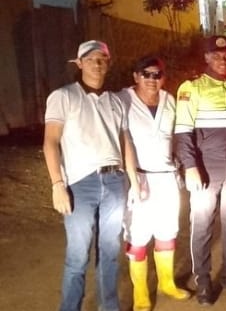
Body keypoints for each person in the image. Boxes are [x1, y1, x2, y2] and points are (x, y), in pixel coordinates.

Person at [43, 40, 140, 311]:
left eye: (102, 59)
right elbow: (51, 141)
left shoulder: (115, 101)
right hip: (80, 184)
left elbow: (125, 141)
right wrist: (57, 185)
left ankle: (109, 307)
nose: (97, 64)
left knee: (110, 253)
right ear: (79, 63)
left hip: (114, 182)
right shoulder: (63, 96)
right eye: (90, 59)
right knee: (78, 255)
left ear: (108, 64)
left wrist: (133, 181)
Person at [174, 35, 226, 305]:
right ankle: (203, 281)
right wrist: (190, 166)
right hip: (206, 165)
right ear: (207, 57)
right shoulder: (192, 88)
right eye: (216, 55)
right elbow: (183, 132)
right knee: (202, 224)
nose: (223, 59)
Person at [119, 55, 189, 311]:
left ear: (163, 77)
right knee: (137, 235)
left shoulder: (170, 101)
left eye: (157, 74)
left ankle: (166, 283)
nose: (151, 79)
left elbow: (180, 137)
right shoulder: (123, 100)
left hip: (167, 177)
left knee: (167, 231)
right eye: (146, 74)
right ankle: (140, 293)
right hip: (138, 177)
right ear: (136, 76)